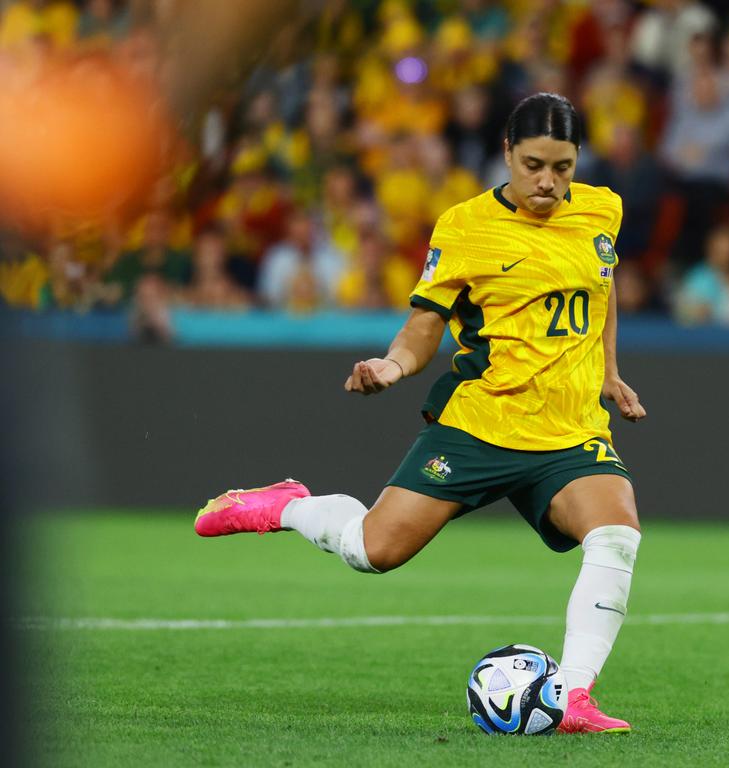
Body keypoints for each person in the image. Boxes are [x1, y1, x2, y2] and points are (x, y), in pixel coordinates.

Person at [193, 94, 646, 734]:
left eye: (564, 167)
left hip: (570, 432)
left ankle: (572, 697)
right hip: (481, 424)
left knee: (616, 533)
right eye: (536, 164)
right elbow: (423, 328)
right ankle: (288, 506)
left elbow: (602, 288)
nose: (549, 182)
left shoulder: (603, 210)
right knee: (372, 551)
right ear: (508, 153)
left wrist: (608, 372)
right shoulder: (464, 227)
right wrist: (393, 367)